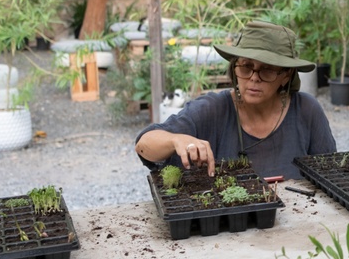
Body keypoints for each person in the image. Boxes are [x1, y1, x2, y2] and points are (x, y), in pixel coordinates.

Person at [135, 21, 336, 180]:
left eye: (267, 70)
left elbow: (330, 174)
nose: (254, 78)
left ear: (286, 75)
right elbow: (144, 144)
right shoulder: (213, 109)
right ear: (234, 69)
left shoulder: (306, 111)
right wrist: (175, 139)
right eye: (246, 67)